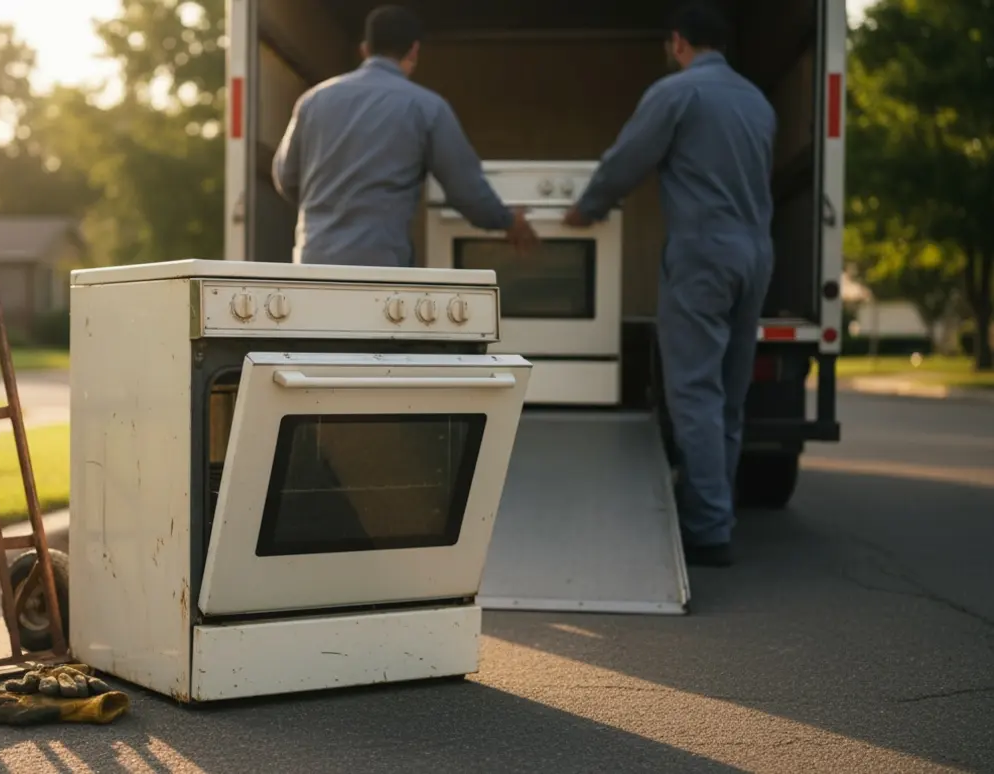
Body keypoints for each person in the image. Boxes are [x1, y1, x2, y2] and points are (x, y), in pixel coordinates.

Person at [562, 1, 777, 568]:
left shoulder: (678, 93)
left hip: (704, 253)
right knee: (729, 395)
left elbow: (626, 161)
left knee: (695, 391)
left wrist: (586, 209)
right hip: (756, 253)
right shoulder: (756, 100)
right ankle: (716, 510)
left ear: (678, 42)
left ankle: (707, 529)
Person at [271, 4, 536, 267]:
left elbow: (285, 178)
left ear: (365, 49)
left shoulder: (313, 101)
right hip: (382, 267)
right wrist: (509, 221)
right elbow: (465, 191)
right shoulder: (427, 108)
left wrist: (329, 205)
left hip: (312, 264)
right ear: (414, 51)